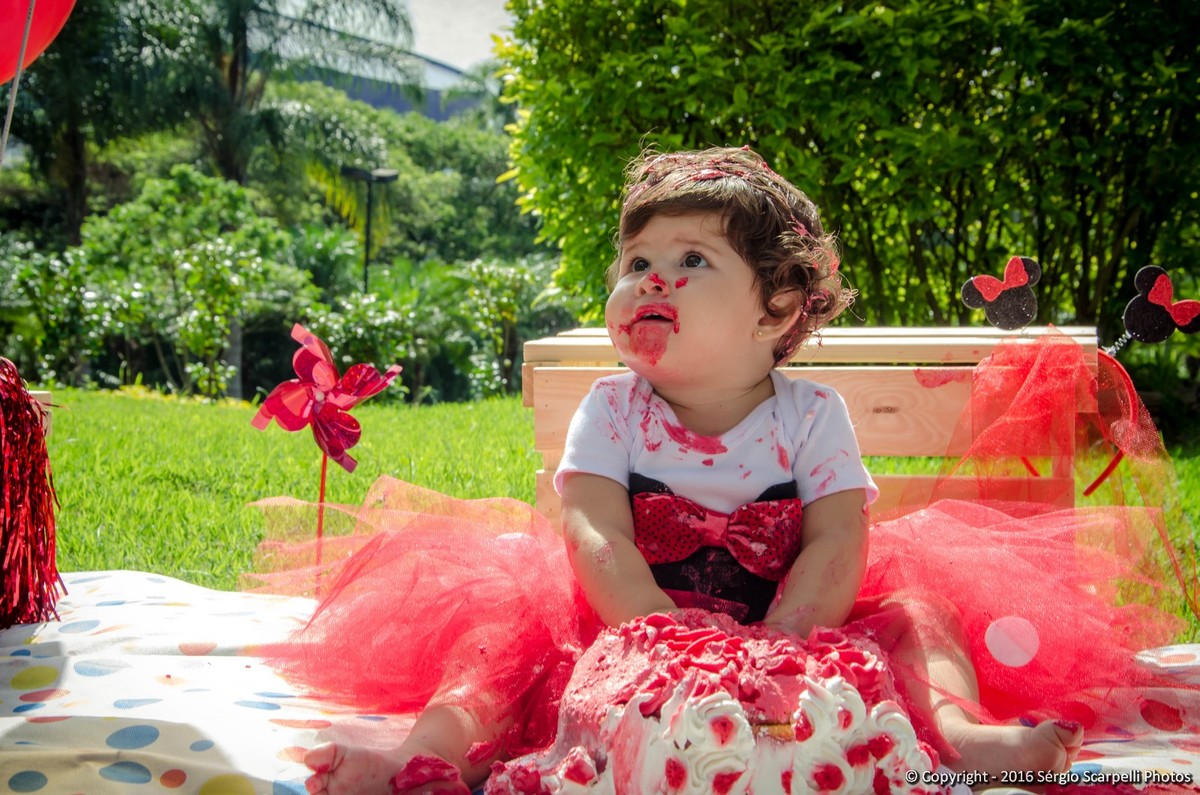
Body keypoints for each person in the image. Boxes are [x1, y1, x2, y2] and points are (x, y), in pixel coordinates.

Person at [278, 147, 1193, 795]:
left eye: (691, 261)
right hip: (624, 620)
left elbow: (837, 537)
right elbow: (594, 527)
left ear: (776, 310)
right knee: (499, 640)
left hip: (797, 617)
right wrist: (655, 631)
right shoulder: (612, 409)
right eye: (637, 261)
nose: (652, 279)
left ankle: (961, 735)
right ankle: (425, 754)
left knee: (920, 614)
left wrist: (790, 633)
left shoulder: (811, 415)